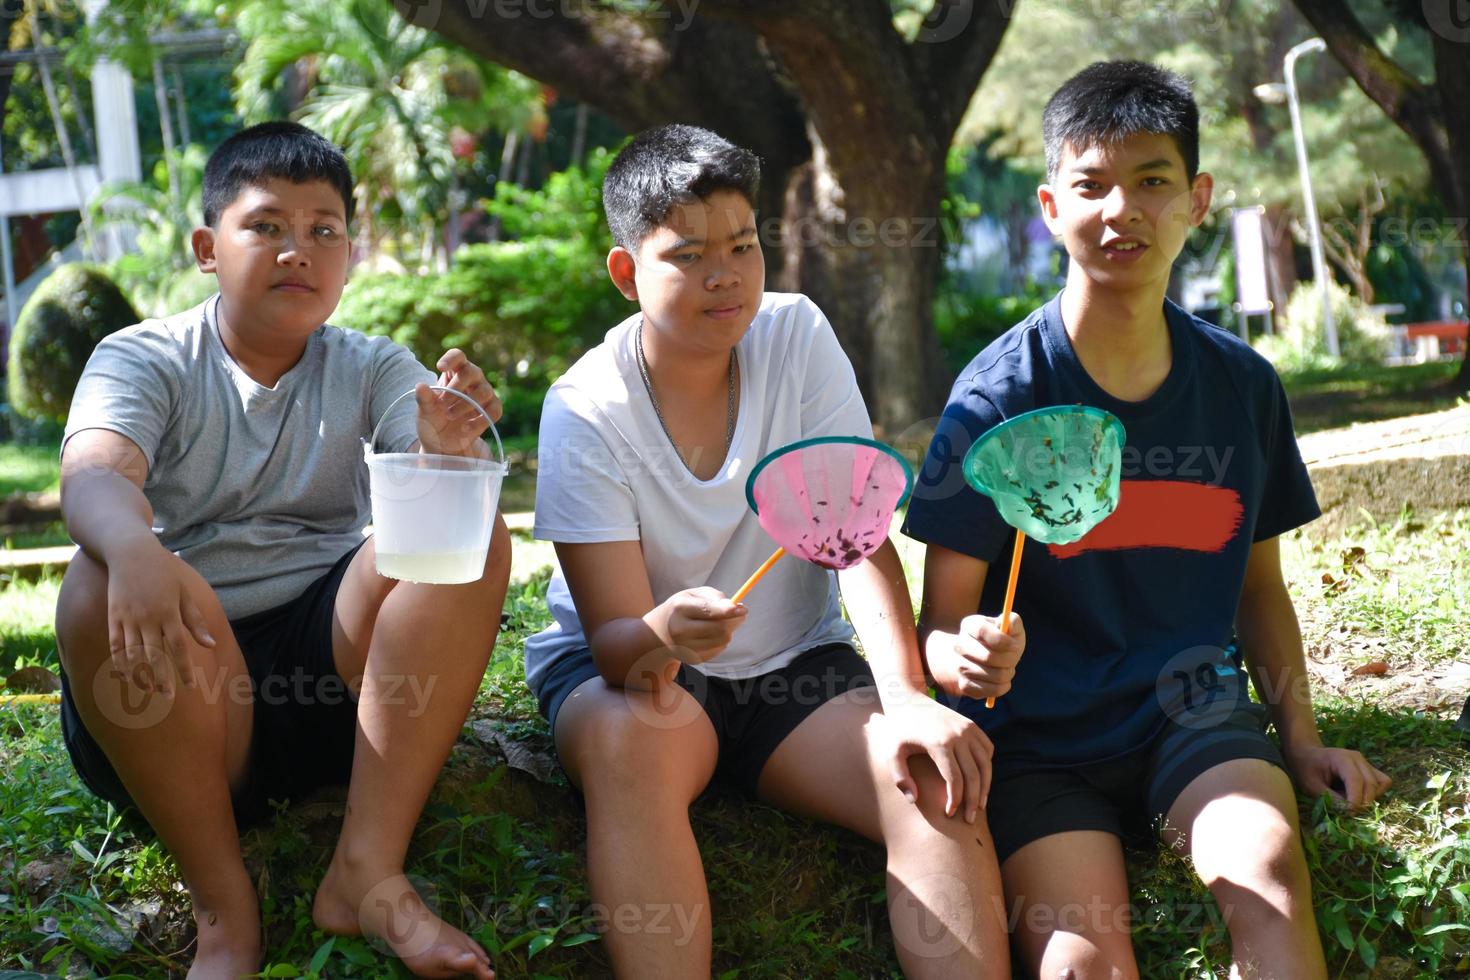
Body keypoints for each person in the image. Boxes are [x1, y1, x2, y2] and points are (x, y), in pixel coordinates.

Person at [903, 61, 1392, 979]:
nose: (1120, 210)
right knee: (1082, 959)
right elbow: (940, 626)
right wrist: (961, 653)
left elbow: (1259, 589)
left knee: (1270, 874)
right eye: (1091, 185)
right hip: (1039, 747)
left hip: (1194, 719)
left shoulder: (1242, 387)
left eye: (1152, 182)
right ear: (1051, 206)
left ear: (1197, 199)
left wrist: (1301, 738)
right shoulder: (996, 398)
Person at [525, 123, 1016, 978]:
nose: (725, 275)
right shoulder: (585, 410)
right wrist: (665, 636)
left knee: (931, 779)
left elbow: (857, 543)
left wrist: (903, 696)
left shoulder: (795, 335)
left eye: (743, 245)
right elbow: (614, 645)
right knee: (630, 747)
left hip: (795, 667)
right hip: (642, 678)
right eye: (686, 256)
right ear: (625, 272)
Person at [55, 121, 507, 980]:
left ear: (348, 256)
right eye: (265, 226)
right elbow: (94, 477)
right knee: (92, 577)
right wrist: (133, 545)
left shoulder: (373, 366)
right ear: (207, 247)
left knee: (466, 531)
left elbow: (433, 506)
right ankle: (227, 921)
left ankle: (366, 875)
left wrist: (453, 453)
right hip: (179, 693)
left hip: (332, 676)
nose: (297, 250)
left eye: (323, 230)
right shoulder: (145, 357)